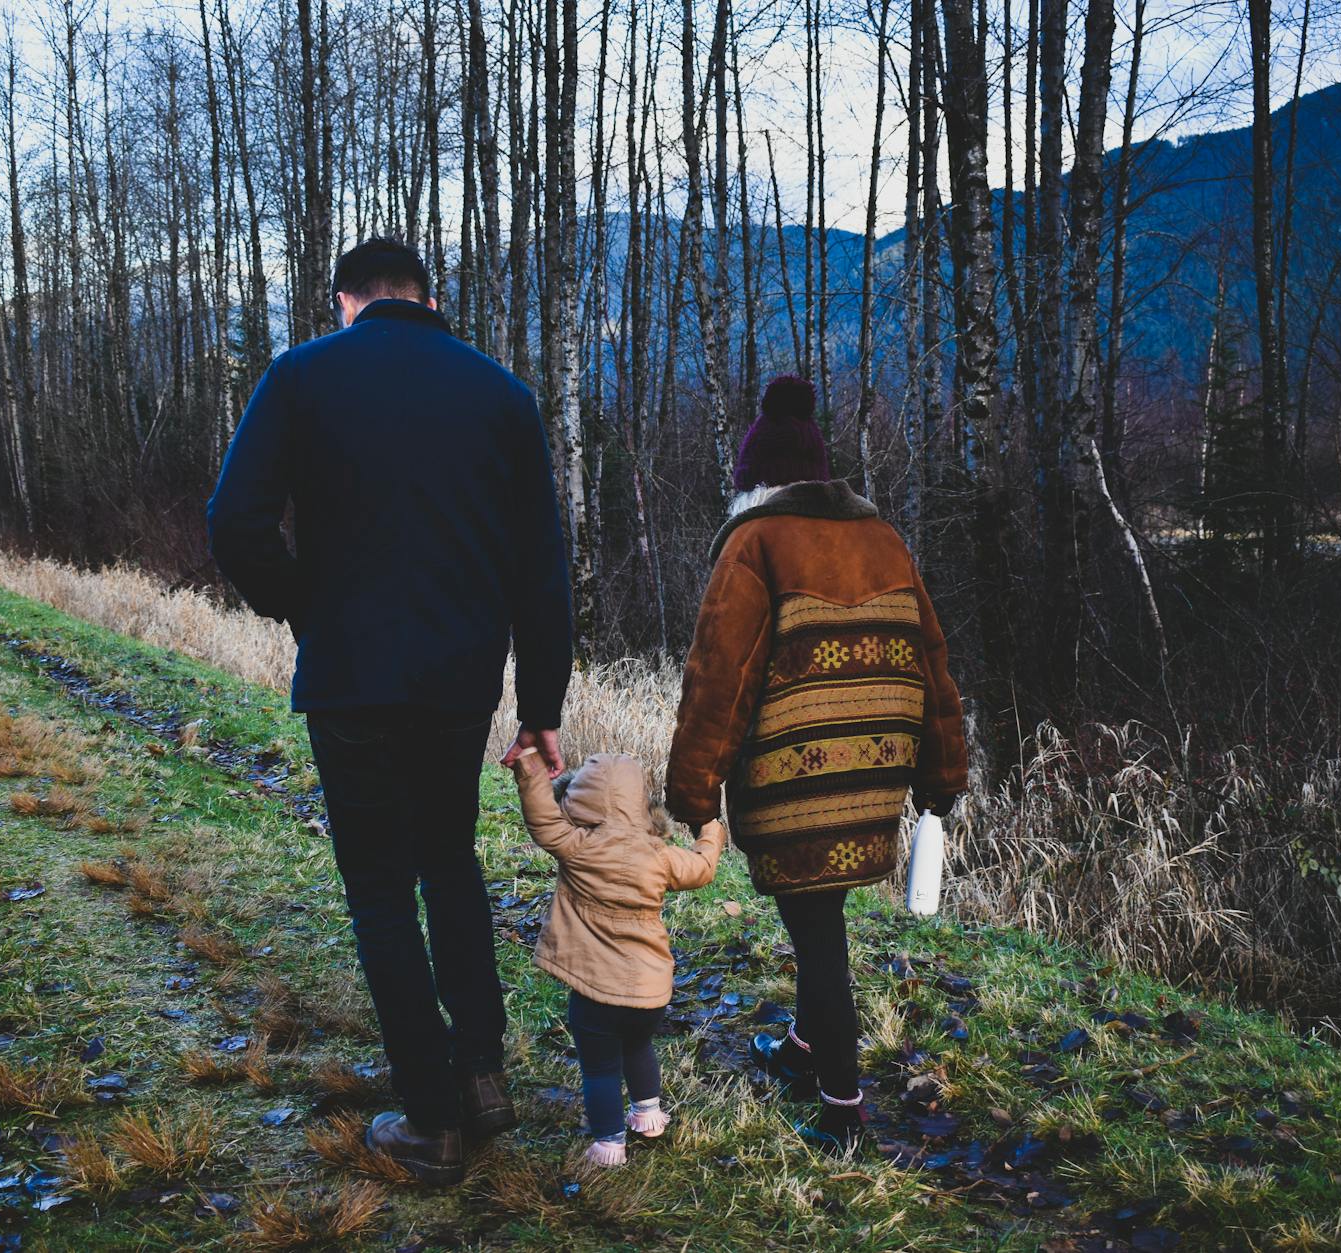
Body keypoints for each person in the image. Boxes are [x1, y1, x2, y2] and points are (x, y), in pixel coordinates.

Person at [206, 238, 574, 1186]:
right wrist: (540, 703)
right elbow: (542, 570)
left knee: (378, 887)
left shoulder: (301, 377)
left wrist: (298, 601)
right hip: (459, 683)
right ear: (427, 296)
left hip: (351, 677)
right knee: (449, 861)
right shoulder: (502, 396)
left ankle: (429, 1115)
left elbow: (232, 519)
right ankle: (482, 1071)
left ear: (345, 301)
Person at [662, 374, 968, 1152]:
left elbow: (717, 678)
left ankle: (841, 1105)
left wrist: (693, 790)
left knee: (818, 931)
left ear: (752, 482)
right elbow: (931, 662)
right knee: (819, 915)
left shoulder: (752, 543)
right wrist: (942, 774)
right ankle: (803, 1049)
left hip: (794, 784)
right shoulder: (885, 539)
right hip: (874, 778)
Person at [509, 746, 725, 1166]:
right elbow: (703, 868)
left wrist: (531, 765)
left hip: (595, 986)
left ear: (580, 798)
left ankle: (609, 1142)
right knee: (639, 1046)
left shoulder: (576, 844)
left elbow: (541, 817)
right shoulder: (660, 856)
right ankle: (649, 1115)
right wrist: (710, 829)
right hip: (650, 989)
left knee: (600, 1066)